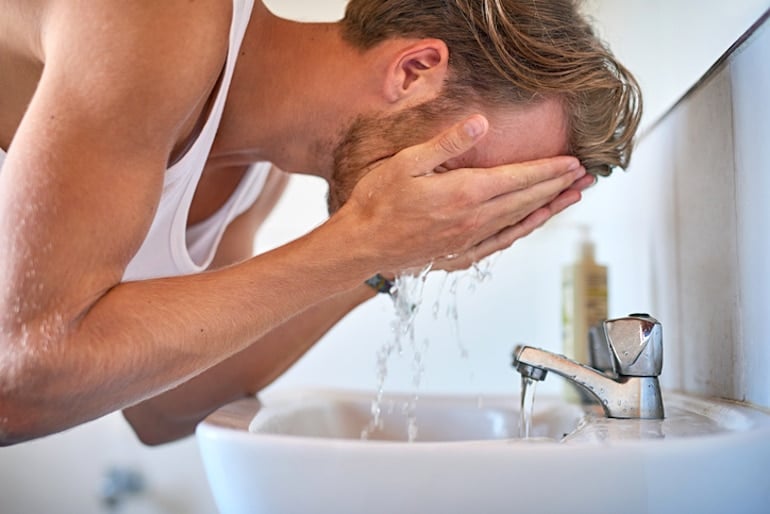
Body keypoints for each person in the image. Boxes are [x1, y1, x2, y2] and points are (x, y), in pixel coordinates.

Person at [0, 0, 640, 445]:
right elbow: (19, 385)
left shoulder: (257, 178)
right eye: (480, 176)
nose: (470, 208)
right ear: (414, 71)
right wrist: (357, 243)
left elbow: (158, 410)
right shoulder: (162, 18)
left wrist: (380, 262)